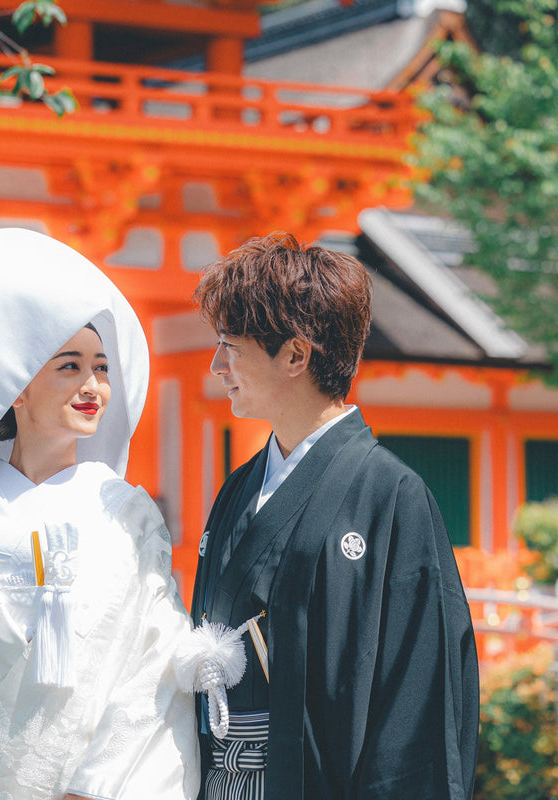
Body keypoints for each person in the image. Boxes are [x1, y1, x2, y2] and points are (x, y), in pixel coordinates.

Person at [0, 228, 200, 800]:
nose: (93, 385)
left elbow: (156, 669)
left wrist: (92, 789)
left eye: (101, 367)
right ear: (16, 387)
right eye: (68, 366)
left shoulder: (128, 515)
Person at [189, 232, 479, 800]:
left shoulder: (391, 495)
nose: (217, 365)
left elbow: (418, 700)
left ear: (296, 355)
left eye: (232, 346)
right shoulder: (239, 490)